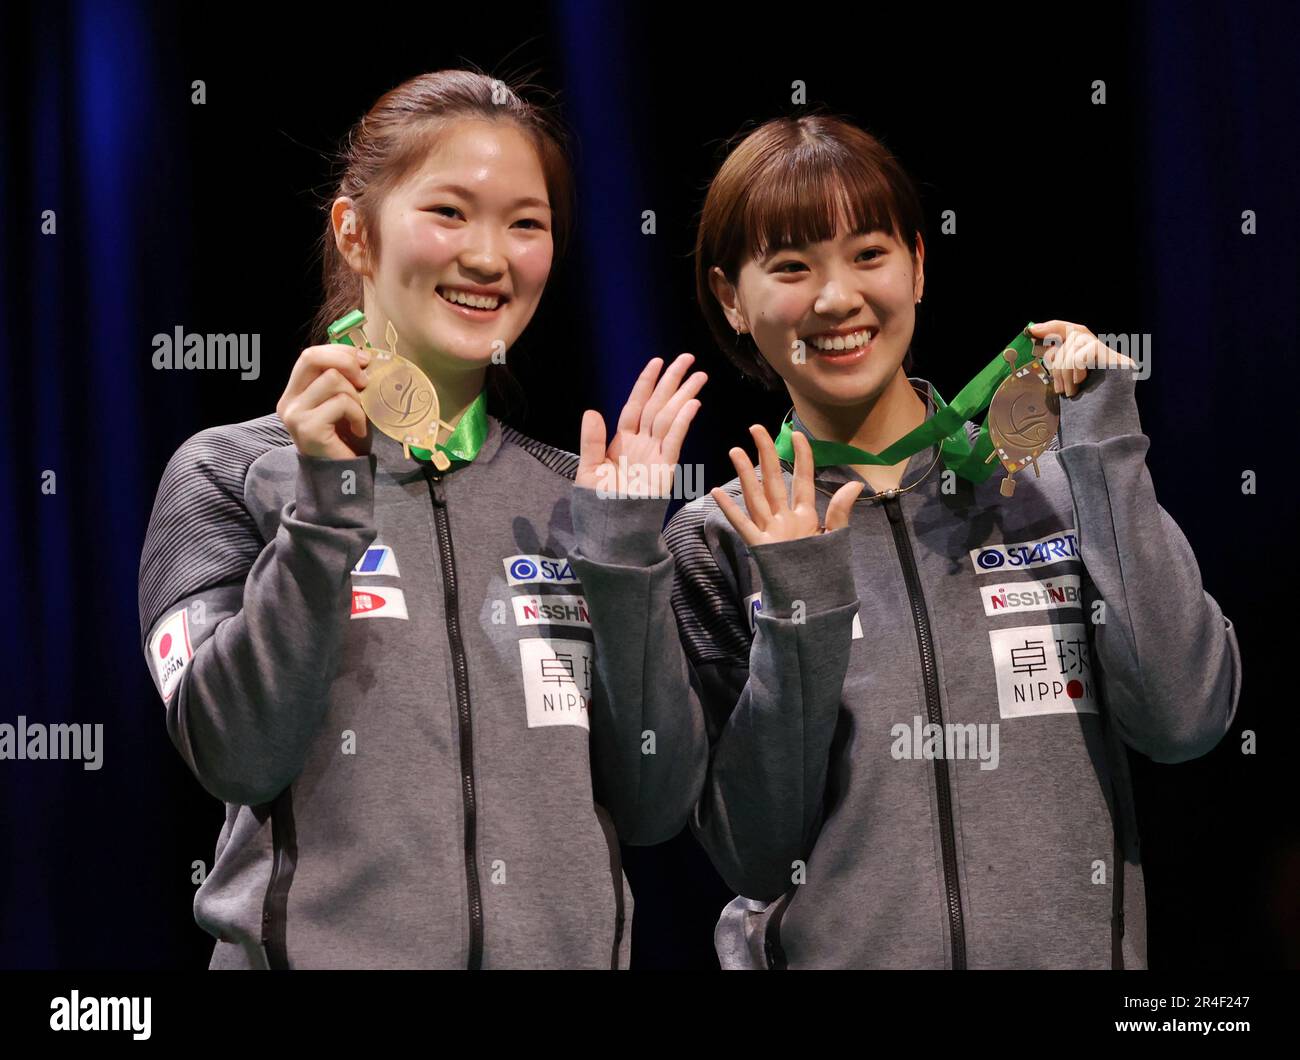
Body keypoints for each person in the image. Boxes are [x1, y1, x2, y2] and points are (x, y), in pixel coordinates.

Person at [137, 69, 707, 970]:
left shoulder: (574, 500)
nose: (489, 257)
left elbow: (657, 801)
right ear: (353, 232)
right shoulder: (230, 472)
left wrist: (626, 555)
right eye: (449, 211)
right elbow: (235, 754)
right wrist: (326, 509)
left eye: (526, 223)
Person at [660, 113, 1242, 968]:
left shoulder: (1052, 485)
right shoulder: (716, 541)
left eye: (869, 254)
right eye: (791, 267)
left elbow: (1186, 716)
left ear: (919, 266)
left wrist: (1103, 446)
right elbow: (755, 849)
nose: (836, 298)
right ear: (730, 299)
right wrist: (801, 595)